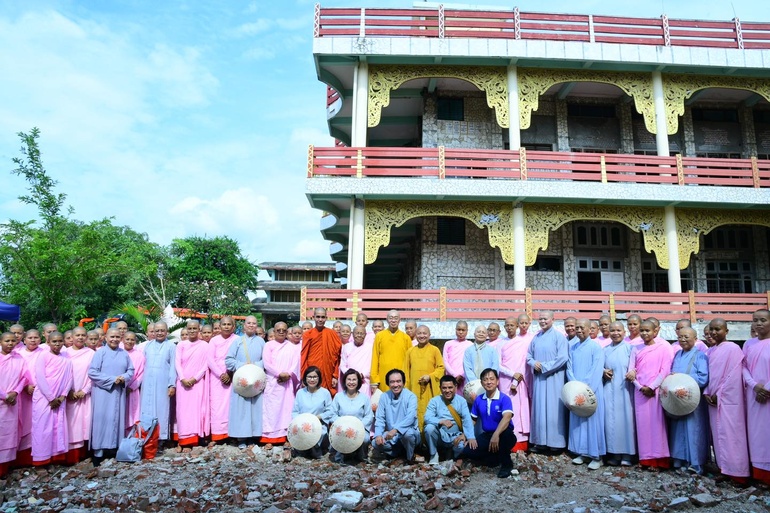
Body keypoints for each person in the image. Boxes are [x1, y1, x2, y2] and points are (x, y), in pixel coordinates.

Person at [703, 318, 750, 482]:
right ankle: (724, 469)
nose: (714, 332)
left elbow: (734, 375)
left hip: (729, 401)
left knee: (733, 435)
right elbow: (709, 375)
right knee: (718, 435)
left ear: (726, 331)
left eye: (718, 329)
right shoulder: (710, 351)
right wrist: (707, 392)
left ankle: (738, 473)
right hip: (712, 400)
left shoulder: (733, 348)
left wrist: (720, 393)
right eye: (711, 329)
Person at [626, 320, 672, 469]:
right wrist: (640, 387)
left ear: (655, 332)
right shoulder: (636, 348)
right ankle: (646, 459)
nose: (645, 333)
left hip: (655, 392)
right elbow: (631, 371)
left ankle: (660, 459)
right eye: (642, 331)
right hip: (640, 391)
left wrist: (652, 387)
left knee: (657, 424)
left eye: (648, 330)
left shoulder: (663, 348)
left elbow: (665, 370)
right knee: (643, 425)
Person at [461, 368, 516, 478]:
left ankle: (506, 465)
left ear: (497, 381)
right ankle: (493, 458)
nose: (489, 382)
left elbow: (507, 418)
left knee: (505, 438)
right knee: (467, 451)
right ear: (481, 383)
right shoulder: (479, 400)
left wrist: (496, 435)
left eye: (491, 379)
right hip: (487, 435)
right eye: (485, 380)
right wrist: (466, 435)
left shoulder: (504, 398)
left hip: (504, 434)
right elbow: (473, 419)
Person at [88, 328, 134, 461]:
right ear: (106, 338)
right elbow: (92, 372)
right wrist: (112, 379)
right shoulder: (100, 353)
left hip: (118, 391)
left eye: (117, 337)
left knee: (117, 419)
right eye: (112, 337)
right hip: (103, 392)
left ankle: (114, 449)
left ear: (121, 338)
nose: (114, 339)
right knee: (102, 420)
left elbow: (131, 370)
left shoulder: (124, 354)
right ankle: (98, 452)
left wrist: (124, 377)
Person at [668, 327, 709, 474]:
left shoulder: (700, 356)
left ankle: (696, 463)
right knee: (678, 429)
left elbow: (703, 378)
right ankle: (679, 459)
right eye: (680, 337)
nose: (683, 340)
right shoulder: (677, 354)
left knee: (694, 429)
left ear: (695, 339)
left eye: (686, 337)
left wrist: (682, 379)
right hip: (677, 399)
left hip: (693, 398)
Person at [527, 311, 568, 454]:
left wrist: (544, 367)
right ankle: (540, 442)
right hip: (539, 379)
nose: (543, 321)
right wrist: (534, 363)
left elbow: (563, 358)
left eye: (545, 318)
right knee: (539, 409)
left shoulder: (559, 337)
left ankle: (556, 443)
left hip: (554, 378)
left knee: (553, 409)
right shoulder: (536, 337)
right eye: (540, 319)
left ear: (553, 320)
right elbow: (528, 356)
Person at [567, 319, 606, 470]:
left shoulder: (596, 348)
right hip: (576, 390)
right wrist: (574, 386)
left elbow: (596, 370)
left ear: (590, 329)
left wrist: (584, 388)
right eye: (577, 327)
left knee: (593, 422)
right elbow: (569, 368)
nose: (579, 330)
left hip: (591, 390)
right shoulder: (573, 348)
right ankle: (582, 452)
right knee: (579, 421)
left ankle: (596, 456)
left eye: (582, 327)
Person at [32, 332, 73, 466]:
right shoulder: (43, 356)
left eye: (60, 341)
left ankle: (55, 459)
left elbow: (69, 378)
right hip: (44, 398)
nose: (57, 344)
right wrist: (51, 398)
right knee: (42, 428)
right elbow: (40, 378)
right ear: (48, 342)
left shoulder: (66, 359)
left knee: (57, 427)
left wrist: (62, 396)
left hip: (60, 399)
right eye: (54, 341)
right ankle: (40, 461)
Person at [226, 315, 265, 447]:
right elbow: (228, 360)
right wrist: (242, 365)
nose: (251, 325)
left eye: (254, 323)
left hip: (256, 380)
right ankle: (241, 438)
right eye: (249, 323)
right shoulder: (237, 341)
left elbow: (266, 360)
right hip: (241, 380)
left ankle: (253, 436)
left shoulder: (261, 342)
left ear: (257, 326)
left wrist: (255, 365)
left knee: (255, 408)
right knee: (241, 408)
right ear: (244, 325)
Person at [742, 309, 770, 485]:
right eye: (755, 320)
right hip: (753, 395)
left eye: (763, 320)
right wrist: (754, 386)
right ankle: (759, 473)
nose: (758, 323)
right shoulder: (749, 344)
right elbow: (743, 367)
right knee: (755, 434)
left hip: (767, 396)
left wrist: (766, 389)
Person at [602, 322, 635, 466]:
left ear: (624, 332)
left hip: (625, 390)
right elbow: (599, 366)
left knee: (626, 421)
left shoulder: (630, 348)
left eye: (618, 330)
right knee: (610, 421)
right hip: (609, 389)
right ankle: (614, 453)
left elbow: (636, 366)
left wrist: (633, 372)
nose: (616, 333)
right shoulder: (605, 350)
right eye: (613, 330)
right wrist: (603, 371)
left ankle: (627, 454)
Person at [261, 322, 301, 445]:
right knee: (271, 410)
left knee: (287, 409)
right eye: (279, 330)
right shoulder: (268, 345)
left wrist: (287, 374)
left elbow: (295, 363)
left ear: (287, 332)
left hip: (287, 383)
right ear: (274, 331)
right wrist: (279, 374)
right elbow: (267, 363)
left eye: (284, 330)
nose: (281, 332)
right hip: (273, 381)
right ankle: (269, 437)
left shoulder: (291, 346)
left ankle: (285, 436)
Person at [424, 375, 475, 464]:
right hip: (440, 435)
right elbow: (427, 417)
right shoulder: (434, 401)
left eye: (450, 387)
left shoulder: (461, 401)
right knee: (429, 428)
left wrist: (469, 437)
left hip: (455, 436)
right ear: (440, 388)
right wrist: (441, 421)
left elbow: (467, 419)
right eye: (444, 388)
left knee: (462, 447)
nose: (447, 391)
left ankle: (452, 454)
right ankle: (433, 454)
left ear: (455, 387)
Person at [174, 320, 210, 450]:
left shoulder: (205, 345)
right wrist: (183, 378)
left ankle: (193, 441)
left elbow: (206, 364)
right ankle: (182, 440)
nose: (192, 331)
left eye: (195, 328)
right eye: (190, 328)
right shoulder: (181, 344)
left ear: (199, 329)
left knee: (196, 411)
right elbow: (177, 363)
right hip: (182, 383)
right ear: (186, 329)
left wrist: (195, 378)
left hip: (197, 383)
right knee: (182, 412)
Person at [324, 369, 373, 462]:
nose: (351, 382)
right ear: (345, 381)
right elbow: (332, 414)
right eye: (349, 379)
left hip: (359, 428)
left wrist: (358, 425)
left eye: (354, 379)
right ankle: (342, 455)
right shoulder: (338, 397)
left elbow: (369, 416)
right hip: (341, 428)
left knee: (365, 439)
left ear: (358, 381)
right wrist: (342, 424)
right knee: (342, 436)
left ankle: (360, 455)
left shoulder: (364, 398)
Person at [139, 321, 177, 444]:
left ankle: (160, 438)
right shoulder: (148, 346)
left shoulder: (171, 346)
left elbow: (173, 366)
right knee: (146, 408)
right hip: (147, 382)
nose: (159, 333)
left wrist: (172, 384)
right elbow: (142, 365)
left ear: (167, 332)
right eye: (157, 331)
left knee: (162, 409)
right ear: (153, 332)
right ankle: (146, 437)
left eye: (162, 330)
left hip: (163, 383)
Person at [498, 318, 531, 452]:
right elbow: (497, 364)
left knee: (519, 410)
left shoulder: (522, 343)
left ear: (517, 326)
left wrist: (516, 381)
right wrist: (512, 374)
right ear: (504, 327)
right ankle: (506, 438)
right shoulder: (500, 343)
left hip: (519, 381)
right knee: (506, 409)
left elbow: (524, 363)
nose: (509, 327)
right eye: (507, 325)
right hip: (505, 379)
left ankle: (520, 442)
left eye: (512, 325)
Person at [404, 325, 444, 432]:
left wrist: (430, 376)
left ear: (429, 335)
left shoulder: (435, 350)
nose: (422, 336)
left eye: (424, 333)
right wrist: (406, 391)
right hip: (414, 390)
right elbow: (405, 372)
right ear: (415, 335)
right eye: (419, 333)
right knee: (414, 413)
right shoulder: (410, 351)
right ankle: (417, 440)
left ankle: (429, 438)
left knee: (429, 413)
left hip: (430, 390)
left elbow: (441, 368)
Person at [372, 369, 419, 461]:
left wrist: (396, 430)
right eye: (392, 382)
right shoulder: (384, 396)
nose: (395, 385)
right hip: (391, 436)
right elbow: (380, 418)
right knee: (375, 442)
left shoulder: (411, 396)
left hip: (407, 432)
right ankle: (398, 454)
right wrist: (378, 434)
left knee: (407, 435)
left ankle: (410, 457)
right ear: (388, 384)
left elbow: (410, 418)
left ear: (403, 382)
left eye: (398, 381)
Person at [63, 326, 94, 464]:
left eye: (83, 335)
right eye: (77, 335)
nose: (80, 337)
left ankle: (83, 454)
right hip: (69, 395)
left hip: (85, 395)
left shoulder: (91, 353)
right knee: (70, 425)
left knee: (85, 423)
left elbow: (94, 374)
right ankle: (69, 456)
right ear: (72, 337)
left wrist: (85, 390)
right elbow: (60, 374)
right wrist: (67, 391)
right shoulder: (65, 353)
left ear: (86, 337)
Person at [17, 329, 45, 466]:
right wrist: (25, 386)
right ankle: (21, 458)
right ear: (24, 340)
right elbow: (16, 373)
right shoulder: (18, 354)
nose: (33, 340)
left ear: (40, 339)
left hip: (41, 394)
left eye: (36, 337)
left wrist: (40, 388)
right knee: (24, 423)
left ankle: (38, 455)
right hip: (23, 394)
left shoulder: (44, 353)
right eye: (30, 338)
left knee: (38, 424)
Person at [291, 366, 332, 459]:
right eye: (309, 377)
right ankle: (304, 448)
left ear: (319, 378)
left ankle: (314, 449)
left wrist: (319, 417)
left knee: (319, 433)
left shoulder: (325, 393)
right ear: (305, 378)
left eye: (315, 377)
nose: (312, 380)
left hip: (319, 423)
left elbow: (330, 411)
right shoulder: (300, 393)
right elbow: (295, 411)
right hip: (303, 424)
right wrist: (301, 420)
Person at [208, 316, 237, 443]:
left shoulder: (237, 339)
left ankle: (232, 434)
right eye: (224, 324)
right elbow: (210, 359)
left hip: (233, 375)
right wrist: (221, 374)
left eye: (229, 324)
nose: (226, 326)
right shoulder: (214, 340)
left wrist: (229, 373)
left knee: (232, 404)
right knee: (216, 405)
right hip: (216, 377)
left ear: (233, 327)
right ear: (219, 327)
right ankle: (217, 434)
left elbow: (239, 357)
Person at [0, 332, 26, 478]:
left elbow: (24, 378)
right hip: (3, 400)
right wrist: (5, 396)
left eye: (13, 341)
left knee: (9, 434)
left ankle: (5, 467)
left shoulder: (19, 358)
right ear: (0, 342)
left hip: (13, 402)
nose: (10, 343)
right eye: (7, 341)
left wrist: (15, 392)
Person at [301, 308, 342, 396]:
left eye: (323, 317)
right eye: (318, 317)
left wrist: (335, 375)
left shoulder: (332, 334)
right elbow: (304, 356)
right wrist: (304, 376)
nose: (320, 319)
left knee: (327, 398)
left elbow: (337, 357)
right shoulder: (308, 334)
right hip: (312, 373)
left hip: (328, 373)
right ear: (313, 317)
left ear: (326, 318)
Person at [370, 310, 411, 393]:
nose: (393, 320)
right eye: (391, 318)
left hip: (401, 377)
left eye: (396, 318)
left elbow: (410, 360)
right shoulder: (379, 336)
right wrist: (374, 380)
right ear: (387, 320)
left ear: (399, 320)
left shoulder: (406, 338)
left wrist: (408, 379)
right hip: (383, 375)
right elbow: (375, 357)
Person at [339, 326, 374, 397]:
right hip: (349, 380)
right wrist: (350, 374)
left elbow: (373, 365)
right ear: (353, 334)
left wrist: (363, 375)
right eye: (357, 333)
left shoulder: (370, 347)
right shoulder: (347, 346)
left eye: (362, 333)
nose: (359, 335)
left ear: (365, 335)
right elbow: (342, 364)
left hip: (364, 381)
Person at [123, 331, 145, 428]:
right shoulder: (118, 353)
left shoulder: (139, 355)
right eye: (127, 339)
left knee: (132, 416)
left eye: (132, 339)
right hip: (119, 389)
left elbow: (141, 374)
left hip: (132, 390)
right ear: (123, 340)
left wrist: (131, 387)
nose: (129, 341)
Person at [442, 321, 471, 389]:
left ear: (467, 331)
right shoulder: (448, 344)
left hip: (464, 378)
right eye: (459, 329)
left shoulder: (470, 345)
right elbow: (445, 361)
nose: (460, 332)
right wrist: (454, 375)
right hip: (450, 378)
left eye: (463, 330)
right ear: (455, 330)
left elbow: (470, 363)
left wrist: (462, 375)